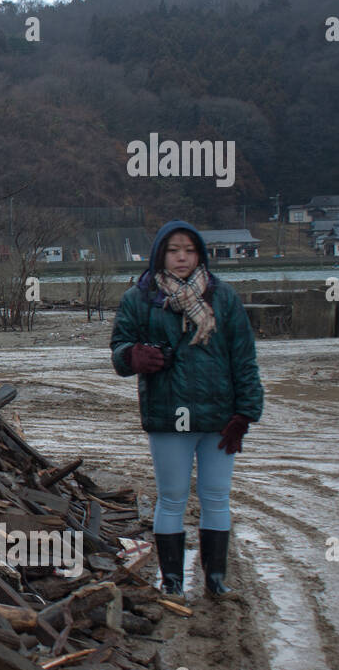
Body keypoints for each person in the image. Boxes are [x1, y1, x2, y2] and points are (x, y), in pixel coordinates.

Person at [109, 220, 263, 601]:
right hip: (167, 415)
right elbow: (118, 351)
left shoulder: (223, 299)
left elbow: (244, 360)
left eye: (189, 250)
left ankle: (215, 579)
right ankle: (172, 580)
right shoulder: (139, 298)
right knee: (172, 498)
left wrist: (245, 413)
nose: (181, 257)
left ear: (200, 254)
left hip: (218, 419)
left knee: (215, 497)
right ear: (161, 253)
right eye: (174, 250)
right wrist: (133, 355)